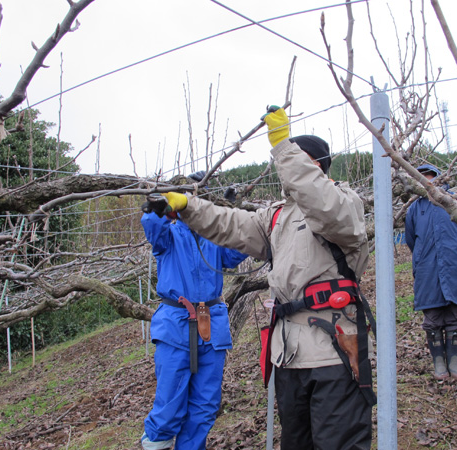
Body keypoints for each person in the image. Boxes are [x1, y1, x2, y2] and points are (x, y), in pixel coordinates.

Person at [156, 106, 374, 450]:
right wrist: (188, 207)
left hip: (335, 352)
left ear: (313, 166)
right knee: (295, 443)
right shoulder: (276, 218)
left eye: (292, 162)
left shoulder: (345, 204)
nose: (283, 170)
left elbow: (325, 207)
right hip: (288, 354)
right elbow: (230, 224)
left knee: (339, 444)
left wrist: (283, 146)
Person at [140, 185, 248, 450]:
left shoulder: (213, 236)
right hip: (176, 327)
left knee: (206, 405)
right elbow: (153, 227)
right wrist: (158, 208)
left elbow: (236, 251)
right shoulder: (170, 234)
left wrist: (233, 216)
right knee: (169, 405)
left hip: (212, 326)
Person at [404, 164, 457, 381]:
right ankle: (438, 361)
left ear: (440, 179)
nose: (429, 182)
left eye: (432, 178)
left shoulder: (455, 201)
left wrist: (454, 252)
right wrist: (424, 257)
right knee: (432, 317)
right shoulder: (415, 208)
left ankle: (454, 360)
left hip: (454, 265)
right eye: (423, 179)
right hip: (427, 267)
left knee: (455, 314)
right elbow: (410, 239)